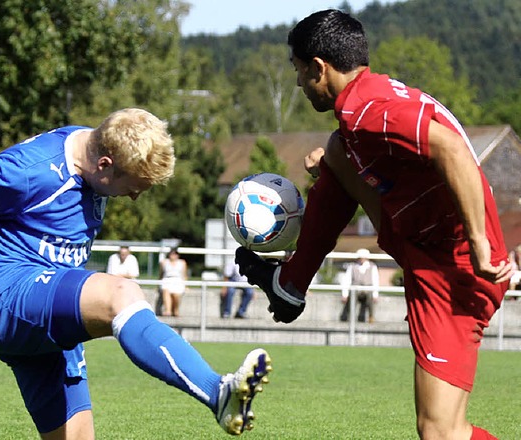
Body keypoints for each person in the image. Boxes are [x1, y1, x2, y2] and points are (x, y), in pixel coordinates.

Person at [0, 108, 271, 437]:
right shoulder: (29, 172)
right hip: (6, 294)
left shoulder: (96, 151)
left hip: (48, 303)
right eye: (134, 187)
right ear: (105, 165)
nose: (135, 196)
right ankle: (217, 393)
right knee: (122, 294)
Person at [235, 10, 512, 440]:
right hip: (427, 246)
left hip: (453, 269)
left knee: (441, 432)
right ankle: (291, 283)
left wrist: (479, 246)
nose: (297, 83)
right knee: (336, 152)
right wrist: (330, 164)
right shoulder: (366, 104)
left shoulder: (368, 110)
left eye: (298, 71)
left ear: (319, 68)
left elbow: (453, 149)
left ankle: (290, 282)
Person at [339, 248, 379, 323]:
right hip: (355, 288)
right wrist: (345, 294)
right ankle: (350, 316)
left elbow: (375, 280)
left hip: (368, 289)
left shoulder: (372, 266)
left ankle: (371, 316)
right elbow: (347, 280)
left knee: (370, 297)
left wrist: (375, 295)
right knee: (352, 295)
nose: (362, 259)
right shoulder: (352, 266)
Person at [158, 248, 188, 317]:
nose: (173, 256)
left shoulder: (182, 262)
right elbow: (161, 274)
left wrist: (186, 285)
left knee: (176, 295)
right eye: (172, 254)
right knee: (166, 291)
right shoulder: (164, 262)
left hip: (178, 280)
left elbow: (184, 274)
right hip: (167, 279)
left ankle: (175, 310)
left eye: (175, 254)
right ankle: (168, 310)